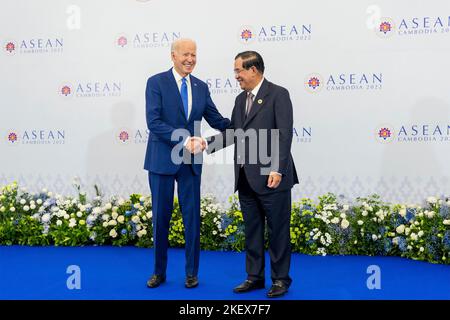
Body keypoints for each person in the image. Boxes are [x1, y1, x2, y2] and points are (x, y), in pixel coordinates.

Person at [206, 51, 298, 298]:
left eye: (239, 71)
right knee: (252, 230)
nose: (236, 76)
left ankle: (280, 280)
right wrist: (207, 144)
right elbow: (235, 133)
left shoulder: (278, 94)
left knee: (278, 231)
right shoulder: (239, 100)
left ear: (254, 69)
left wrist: (277, 169)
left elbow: (284, 134)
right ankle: (254, 277)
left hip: (271, 176)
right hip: (245, 177)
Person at [144, 38, 230, 289]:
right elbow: (154, 122)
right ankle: (159, 272)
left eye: (194, 54)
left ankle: (192, 273)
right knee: (161, 218)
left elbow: (215, 119)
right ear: (173, 56)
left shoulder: (201, 87)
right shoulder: (156, 82)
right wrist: (184, 141)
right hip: (162, 160)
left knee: (192, 218)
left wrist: (242, 123)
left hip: (191, 162)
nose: (190, 59)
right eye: (185, 54)